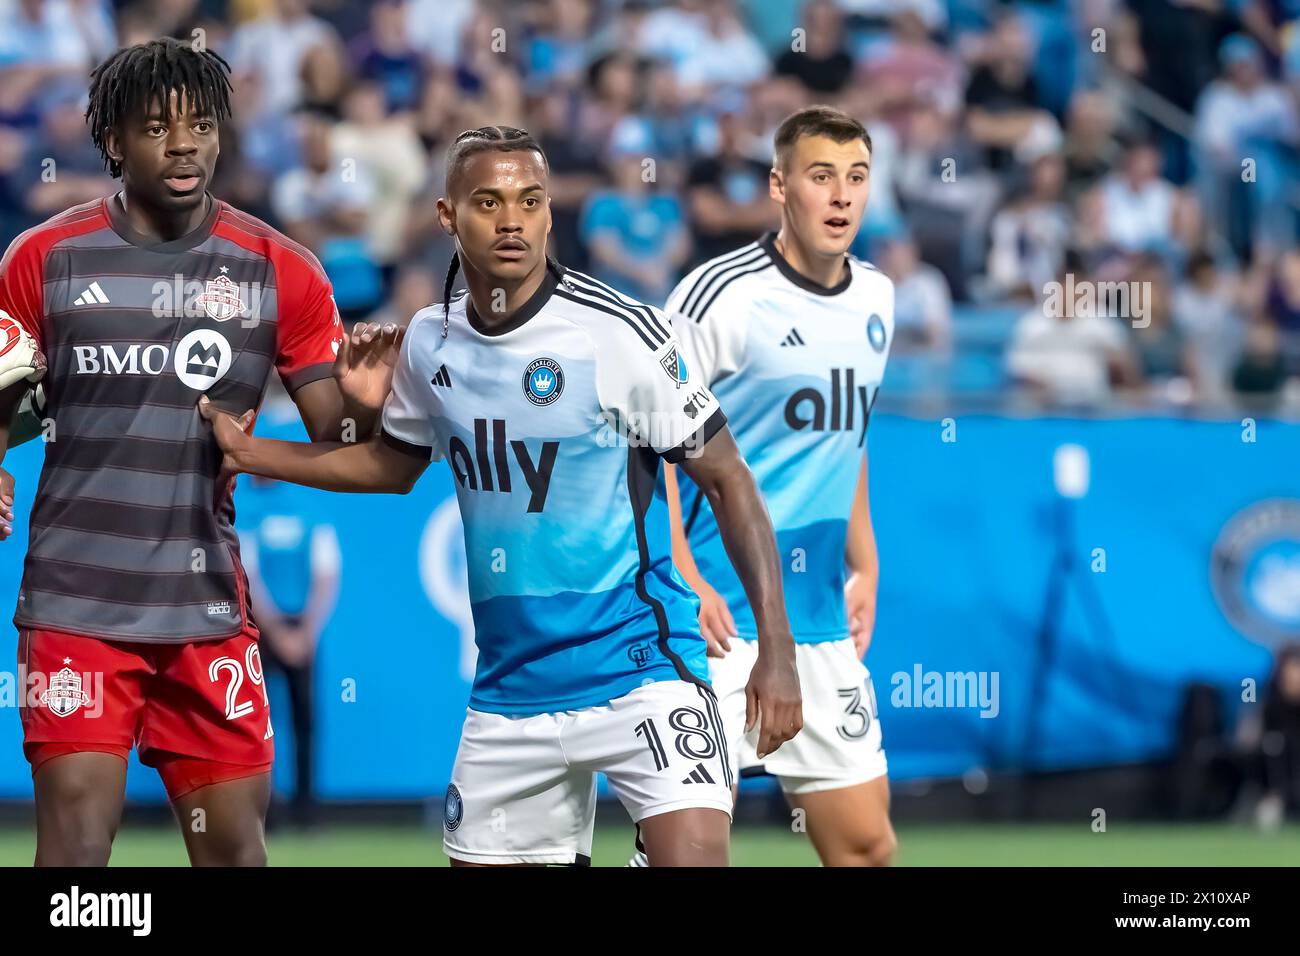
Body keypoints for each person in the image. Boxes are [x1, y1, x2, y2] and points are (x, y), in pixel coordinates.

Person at [199, 125, 803, 867]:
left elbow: (727, 476)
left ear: (551, 213)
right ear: (448, 216)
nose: (512, 219)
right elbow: (391, 467)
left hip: (643, 669)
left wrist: (778, 650)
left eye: (531, 200)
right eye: (488, 201)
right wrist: (259, 449)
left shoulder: (619, 333)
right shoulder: (427, 343)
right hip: (510, 692)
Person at [0, 38, 399, 866]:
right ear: (113, 141)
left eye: (202, 126)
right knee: (73, 862)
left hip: (207, 612)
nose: (184, 145)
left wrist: (367, 410)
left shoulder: (280, 269)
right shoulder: (41, 260)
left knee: (236, 857)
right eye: (156, 129)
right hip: (78, 604)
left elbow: (343, 444)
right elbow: (6, 403)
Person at [637, 106, 899, 867]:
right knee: (684, 855)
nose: (842, 196)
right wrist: (681, 571)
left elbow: (850, 440)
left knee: (867, 849)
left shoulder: (877, 298)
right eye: (822, 177)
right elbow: (645, 441)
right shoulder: (717, 295)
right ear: (780, 186)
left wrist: (867, 564)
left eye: (857, 178)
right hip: (715, 618)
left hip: (817, 622)